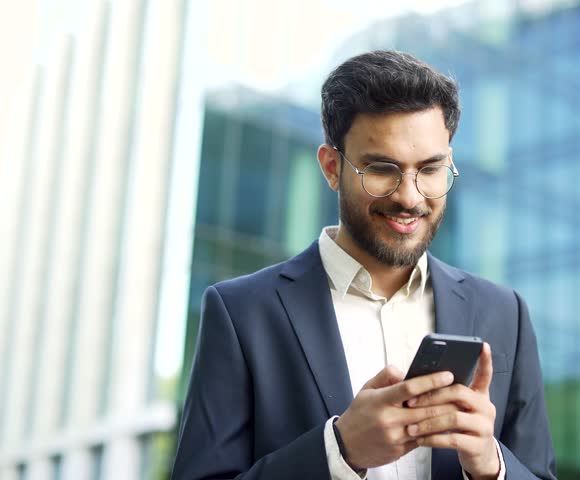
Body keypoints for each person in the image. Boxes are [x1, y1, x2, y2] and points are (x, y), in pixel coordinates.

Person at [172, 50, 557, 480]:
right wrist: (339, 452)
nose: (409, 197)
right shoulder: (242, 312)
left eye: (429, 169)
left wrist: (491, 465)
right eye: (381, 169)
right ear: (332, 167)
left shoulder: (505, 313)